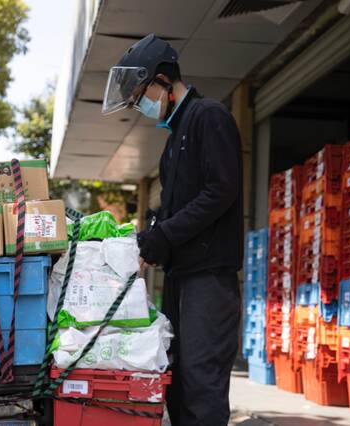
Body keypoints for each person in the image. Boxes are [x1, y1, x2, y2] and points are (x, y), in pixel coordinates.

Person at [102, 34, 243, 426]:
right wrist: (151, 238)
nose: (139, 105)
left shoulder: (208, 116)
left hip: (208, 281)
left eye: (141, 95)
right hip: (181, 277)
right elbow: (177, 210)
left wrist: (164, 235)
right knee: (177, 382)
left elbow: (221, 190)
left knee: (201, 384)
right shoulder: (173, 138)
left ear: (162, 80)